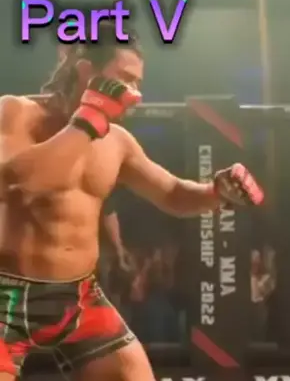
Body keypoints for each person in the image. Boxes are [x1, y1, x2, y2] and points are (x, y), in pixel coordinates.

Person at [0, 21, 263, 380]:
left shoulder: (118, 142)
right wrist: (86, 122)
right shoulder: (16, 113)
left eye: (138, 83)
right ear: (86, 71)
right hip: (6, 296)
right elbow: (17, 184)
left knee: (133, 375)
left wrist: (215, 193)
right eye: (125, 79)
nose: (134, 94)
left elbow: (171, 193)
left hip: (77, 298)